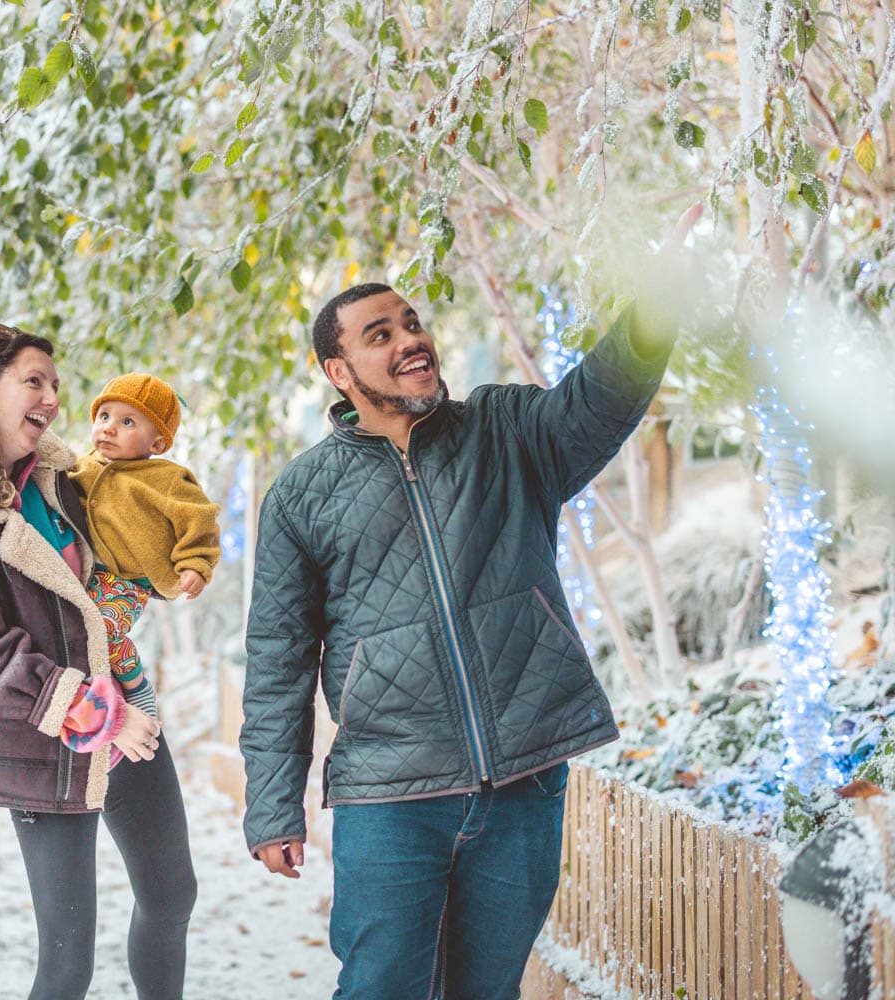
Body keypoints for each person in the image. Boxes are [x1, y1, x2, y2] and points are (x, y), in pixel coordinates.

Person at [241, 211, 701, 999]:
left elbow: (599, 398)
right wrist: (272, 803)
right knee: (381, 988)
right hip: (390, 793)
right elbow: (278, 656)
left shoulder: (505, 430)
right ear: (337, 371)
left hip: (521, 781)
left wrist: (653, 306)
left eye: (412, 324)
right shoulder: (301, 495)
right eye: (378, 334)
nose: (408, 340)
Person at [0, 323, 197, 1000]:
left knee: (172, 897)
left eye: (54, 383)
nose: (50, 397)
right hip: (38, 734)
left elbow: (123, 544)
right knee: (67, 958)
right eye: (32, 381)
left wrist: (179, 553)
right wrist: (99, 717)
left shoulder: (61, 479)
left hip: (120, 712)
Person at [68, 373, 222, 723]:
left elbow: (200, 519)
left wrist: (195, 564)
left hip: (131, 580)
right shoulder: (84, 466)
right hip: (89, 571)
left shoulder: (167, 479)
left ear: (156, 444)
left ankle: (136, 684)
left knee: (103, 630)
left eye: (126, 422)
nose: (108, 428)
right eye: (104, 416)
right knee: (73, 630)